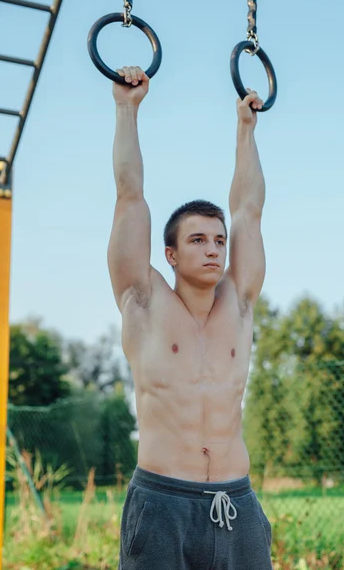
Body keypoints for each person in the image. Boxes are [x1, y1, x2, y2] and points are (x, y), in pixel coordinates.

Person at [108, 66, 273, 570]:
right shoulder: (143, 301)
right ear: (171, 255)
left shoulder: (239, 303)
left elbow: (248, 209)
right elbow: (129, 196)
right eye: (198, 240)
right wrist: (126, 109)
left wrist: (245, 130)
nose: (214, 249)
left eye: (218, 241)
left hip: (237, 503)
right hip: (162, 505)